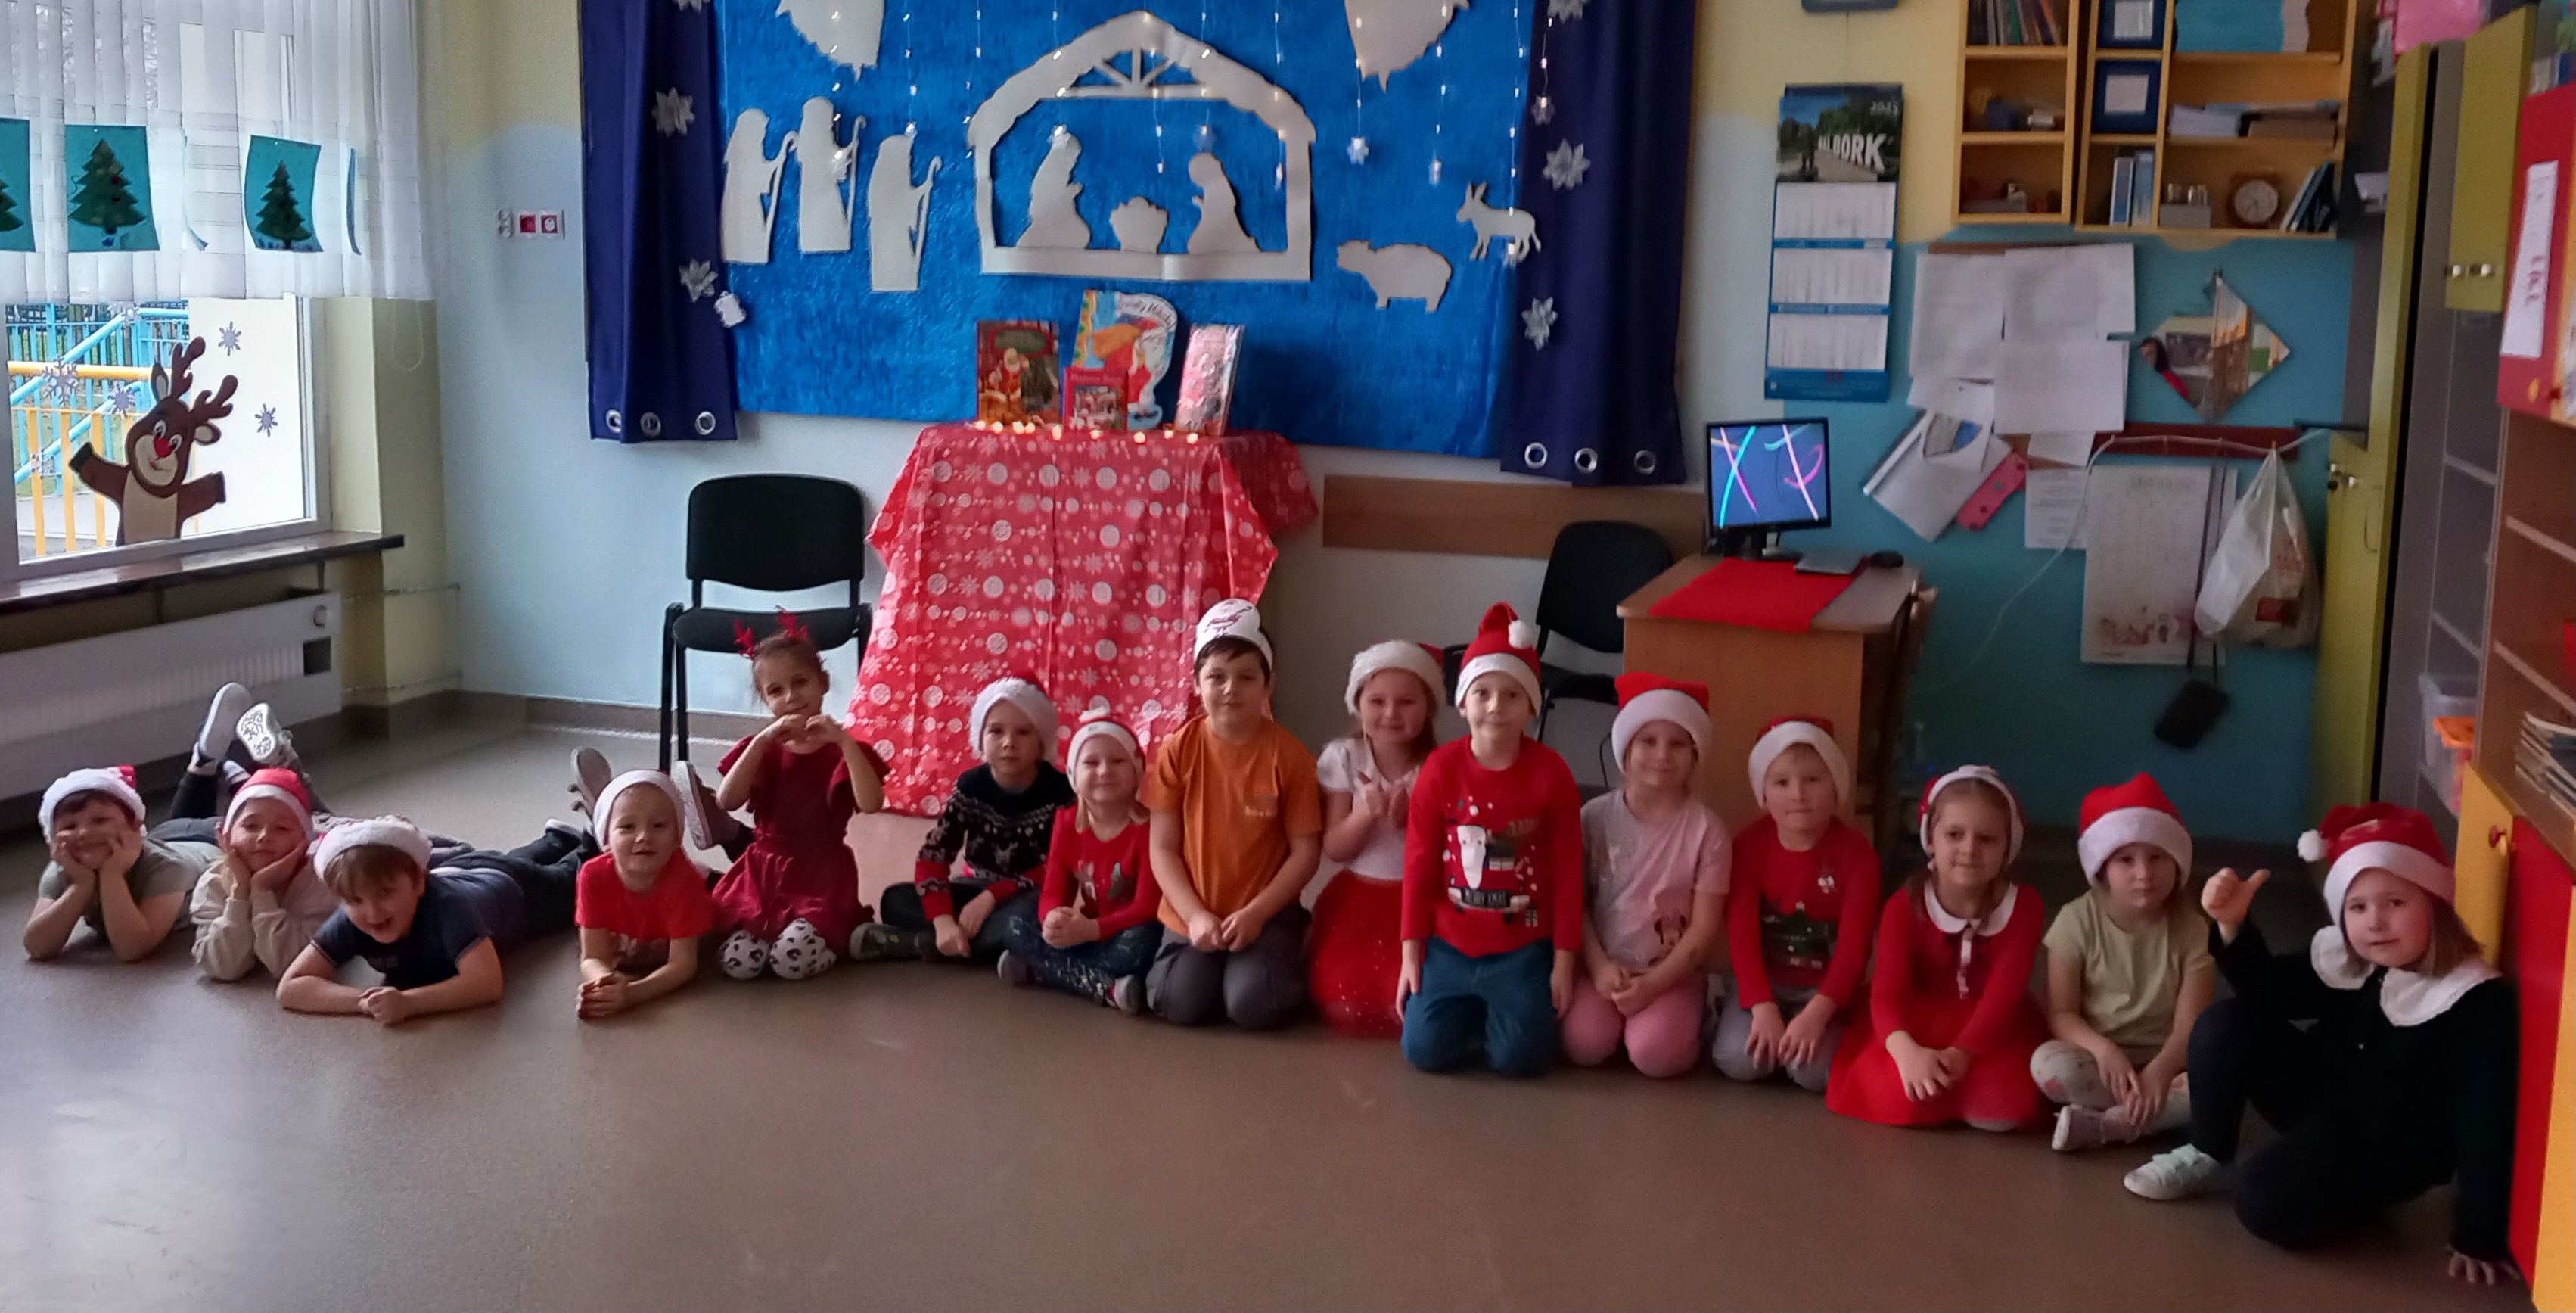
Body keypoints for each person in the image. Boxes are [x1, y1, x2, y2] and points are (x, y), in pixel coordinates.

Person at [2123, 804, 2521, 1287]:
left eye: (2395, 903)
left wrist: (2479, 1231)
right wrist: (2233, 925)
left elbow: (2484, 1121)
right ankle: (2209, 1152)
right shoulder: (2354, 961)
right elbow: (2268, 992)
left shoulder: (2473, 1000)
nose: (2375, 923)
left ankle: (2344, 1192)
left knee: (2264, 1200)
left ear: (2435, 904)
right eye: (2358, 908)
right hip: (2328, 1099)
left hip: (2389, 1146)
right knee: (2225, 1024)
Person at [1397, 603, 1583, 1077]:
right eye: (1483, 693)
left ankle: (1494, 1018)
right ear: (1463, 703)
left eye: (1512, 694)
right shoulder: (1440, 769)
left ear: (1532, 707)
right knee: (1423, 1051)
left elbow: (1568, 872)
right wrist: (1411, 952)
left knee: (1520, 1060)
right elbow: (1418, 865)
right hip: (1448, 946)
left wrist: (1564, 961)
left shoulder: (1552, 773)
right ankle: (1471, 1015)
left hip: (1523, 949)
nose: (1496, 706)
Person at [1826, 766, 2046, 1131]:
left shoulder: (2025, 907)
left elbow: (2002, 999)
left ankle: (1964, 1091)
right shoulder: (1903, 906)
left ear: (2007, 847)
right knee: (1894, 1094)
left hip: (1989, 1030)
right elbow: (1887, 993)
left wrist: (1961, 1056)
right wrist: (1906, 1054)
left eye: (1987, 839)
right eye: (1954, 834)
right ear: (1930, 839)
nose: (1969, 849)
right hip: (1917, 1023)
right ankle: (1928, 1084)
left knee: (2004, 1108)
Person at [1144, 599, 1323, 1029]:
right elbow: (1163, 848)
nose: (1230, 689)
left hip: (1266, 914)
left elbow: (1305, 854)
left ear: (1268, 685)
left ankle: (1278, 955)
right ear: (1196, 682)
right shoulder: (1177, 751)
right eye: (1217, 677)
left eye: (1246, 677)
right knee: (1179, 1002)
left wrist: (1257, 914)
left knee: (1252, 1005)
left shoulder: (1291, 758)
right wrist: (1194, 916)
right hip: (1193, 913)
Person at [1562, 674, 1729, 1078]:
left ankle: (1688, 1017)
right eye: (1648, 741)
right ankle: (1622, 1025)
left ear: (1695, 753)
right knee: (1583, 1045)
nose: (1662, 755)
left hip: (1671, 975)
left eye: (1677, 744)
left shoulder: (1708, 831)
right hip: (1604, 967)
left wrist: (1654, 984)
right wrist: (1598, 967)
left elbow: (1703, 929)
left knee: (1656, 1056)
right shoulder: (1593, 818)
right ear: (1626, 749)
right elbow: (1575, 903)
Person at [2035, 774, 2214, 1151]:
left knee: (2220, 1082)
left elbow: (2190, 1027)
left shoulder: (2194, 930)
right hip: (2098, 1058)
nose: (2144, 874)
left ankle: (2109, 1125)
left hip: (2169, 1060)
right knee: (2048, 1066)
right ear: (2103, 867)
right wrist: (2104, 1051)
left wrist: (2160, 1072)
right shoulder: (2075, 921)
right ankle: (2148, 1117)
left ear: (2177, 862)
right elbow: (2062, 1014)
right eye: (2126, 860)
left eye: (2157, 857)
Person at [706, 613, 887, 981]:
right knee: (737, 964)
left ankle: (836, 943)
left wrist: (844, 742)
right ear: (765, 699)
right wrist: (761, 741)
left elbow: (872, 803)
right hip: (766, 872)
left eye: (800, 682)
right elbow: (727, 800)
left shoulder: (845, 751)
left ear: (823, 683)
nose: (791, 697)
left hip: (820, 873)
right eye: (776, 691)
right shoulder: (762, 750)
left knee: (789, 962)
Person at [277, 815, 589, 1024]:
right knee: (506, 860)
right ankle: (556, 839)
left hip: (516, 890)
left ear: (418, 883)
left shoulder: (448, 908)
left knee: (572, 881)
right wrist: (362, 1001)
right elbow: (291, 987)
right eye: (355, 900)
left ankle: (592, 834)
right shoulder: (350, 917)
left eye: (385, 893)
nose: (372, 912)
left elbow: (486, 983)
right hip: (466, 869)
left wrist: (409, 1002)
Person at [1713, 717, 1881, 1092]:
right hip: (1765, 984)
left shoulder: (1857, 856)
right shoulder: (1748, 847)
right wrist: (1762, 1006)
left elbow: (1854, 950)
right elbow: (1741, 938)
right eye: (1782, 782)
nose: (1798, 794)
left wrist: (1817, 1015)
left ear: (1835, 787)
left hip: (1823, 991)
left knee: (1813, 1073)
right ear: (1763, 793)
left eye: (1813, 780)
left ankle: (1806, 1035)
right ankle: (1734, 1015)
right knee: (1739, 1060)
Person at [866, 677, 1071, 963]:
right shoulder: (971, 786)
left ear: (1041, 743)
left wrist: (991, 898)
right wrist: (942, 920)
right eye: (996, 731)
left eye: (1023, 732)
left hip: (1026, 895)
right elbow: (934, 857)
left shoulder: (1060, 792)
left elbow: (1060, 865)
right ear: (980, 738)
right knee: (896, 899)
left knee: (1030, 918)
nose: (1009, 743)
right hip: (973, 886)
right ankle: (969, 944)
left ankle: (924, 944)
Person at [1310, 640, 1446, 1038]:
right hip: (1357, 898)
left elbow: (1447, 856)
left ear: (1429, 707)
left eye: (1407, 702)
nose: (1390, 713)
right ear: (1357, 703)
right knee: (1342, 998)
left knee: (1409, 994)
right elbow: (1335, 848)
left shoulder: (1438, 766)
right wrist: (1363, 816)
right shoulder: (1344, 757)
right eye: (1377, 701)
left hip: (1416, 902)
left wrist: (1413, 820)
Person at [998, 711, 1161, 1010]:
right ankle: (1105, 987)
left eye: (1117, 761)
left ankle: (1041, 970)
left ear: (1137, 770)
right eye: (1091, 763)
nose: (1104, 771)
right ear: (1074, 775)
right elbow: (1053, 890)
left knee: (1142, 945)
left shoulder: (1149, 827)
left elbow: (1148, 907)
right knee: (1016, 923)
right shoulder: (1066, 822)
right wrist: (1052, 917)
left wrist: (1092, 930)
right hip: (1086, 932)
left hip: (1124, 932)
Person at [23, 766, 212, 962]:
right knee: (185, 817)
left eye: (100, 820)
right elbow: (37, 947)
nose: (84, 833)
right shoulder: (63, 869)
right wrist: (81, 884)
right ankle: (203, 767)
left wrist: (112, 875)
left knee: (223, 815)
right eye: (69, 826)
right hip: (164, 838)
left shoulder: (169, 868)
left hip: (209, 841)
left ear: (135, 826)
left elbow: (132, 948)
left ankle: (205, 770)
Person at [576, 770, 719, 1021]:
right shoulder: (592, 876)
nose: (644, 837)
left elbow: (682, 965)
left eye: (659, 826)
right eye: (628, 827)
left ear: (676, 838)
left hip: (710, 898)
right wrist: (604, 986)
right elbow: (592, 957)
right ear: (607, 839)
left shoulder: (685, 882)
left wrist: (631, 994)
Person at [184, 768, 337, 981]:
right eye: (250, 826)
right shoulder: (213, 882)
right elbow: (222, 967)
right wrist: (239, 894)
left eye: (282, 828)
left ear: (305, 840)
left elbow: (290, 967)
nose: (264, 836)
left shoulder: (319, 881)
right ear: (225, 836)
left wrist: (262, 891)